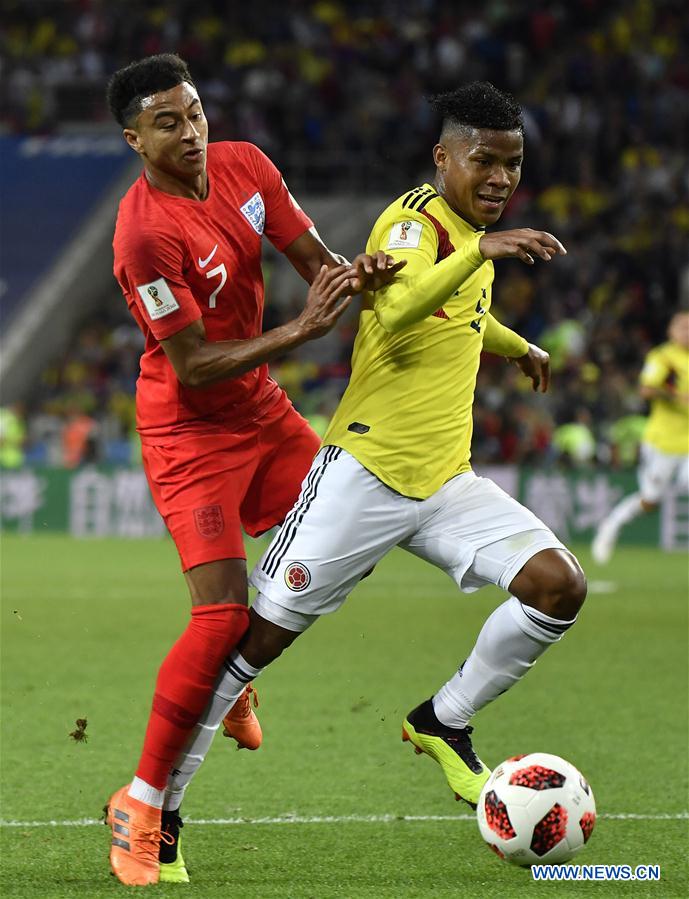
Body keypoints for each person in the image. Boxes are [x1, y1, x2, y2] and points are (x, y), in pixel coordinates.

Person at [169, 81, 587, 849]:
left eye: (512, 164)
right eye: (482, 161)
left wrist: (516, 344)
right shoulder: (412, 222)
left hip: (445, 481)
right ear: (443, 159)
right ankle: (159, 805)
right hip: (362, 474)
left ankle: (443, 720)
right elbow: (390, 308)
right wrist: (477, 250)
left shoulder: (468, 239)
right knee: (255, 642)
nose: (498, 178)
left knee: (557, 586)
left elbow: (460, 311)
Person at [103, 53, 401, 886]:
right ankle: (143, 802)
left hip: (263, 414)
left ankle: (230, 676)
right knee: (216, 617)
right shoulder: (143, 235)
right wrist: (302, 333)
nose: (191, 131)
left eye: (195, 111)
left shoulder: (245, 165)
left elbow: (319, 266)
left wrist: (363, 277)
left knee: (355, 528)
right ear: (135, 138)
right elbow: (193, 365)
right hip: (188, 431)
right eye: (167, 121)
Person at [592, 310, 689, 563]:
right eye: (682, 327)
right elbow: (646, 389)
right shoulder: (664, 358)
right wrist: (677, 396)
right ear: (671, 331)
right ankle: (610, 527)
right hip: (663, 442)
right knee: (650, 500)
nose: (687, 332)